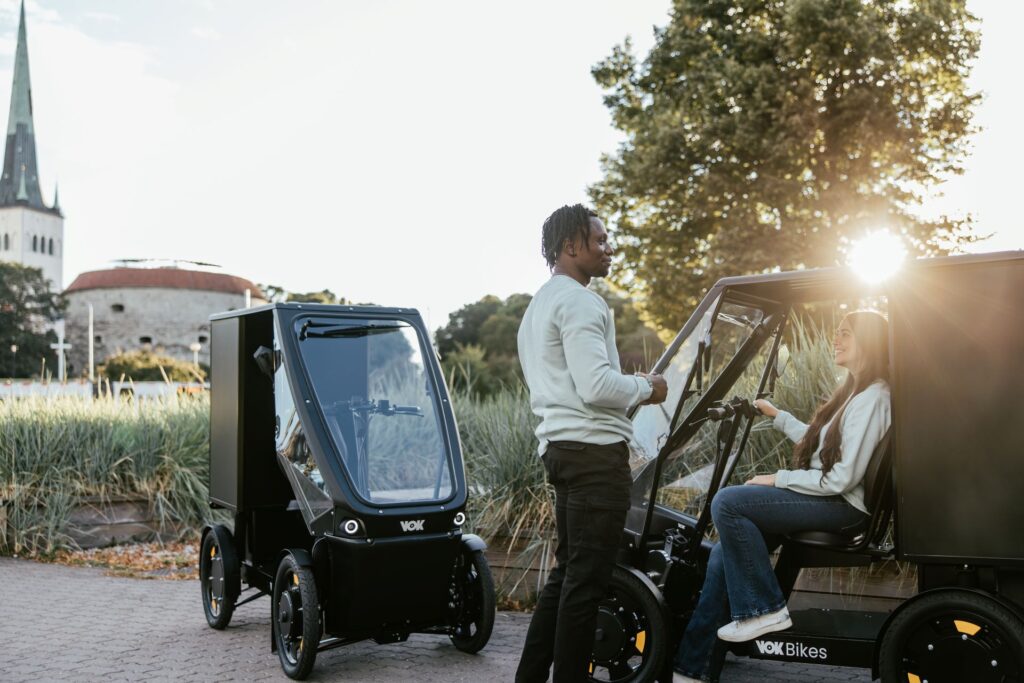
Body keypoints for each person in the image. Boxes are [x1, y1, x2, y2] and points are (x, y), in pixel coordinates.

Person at [673, 310, 891, 683]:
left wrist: (778, 478)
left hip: (844, 509)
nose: (834, 340)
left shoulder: (874, 397)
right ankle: (692, 670)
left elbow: (840, 478)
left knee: (727, 501)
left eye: (844, 334)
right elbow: (824, 445)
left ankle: (765, 608)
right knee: (726, 554)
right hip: (832, 502)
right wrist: (777, 415)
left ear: (868, 342)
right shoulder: (855, 391)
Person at [515, 204, 668, 683]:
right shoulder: (581, 301)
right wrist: (648, 387)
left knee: (567, 578)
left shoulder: (537, 307)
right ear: (570, 247)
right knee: (586, 585)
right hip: (595, 458)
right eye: (599, 241)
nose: (609, 249)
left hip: (561, 452)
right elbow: (597, 386)